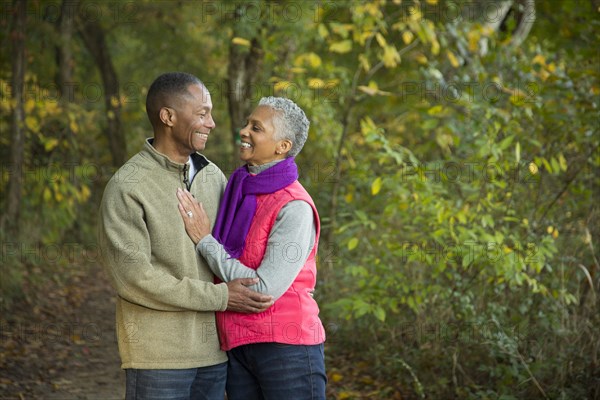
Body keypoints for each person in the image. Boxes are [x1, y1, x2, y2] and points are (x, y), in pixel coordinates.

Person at [97, 72, 274, 400]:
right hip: (158, 357)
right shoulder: (128, 186)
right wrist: (220, 297)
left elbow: (236, 250)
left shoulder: (213, 177)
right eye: (202, 113)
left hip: (214, 354)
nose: (212, 123)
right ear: (168, 117)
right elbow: (134, 279)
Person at [176, 96, 327, 399]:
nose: (244, 131)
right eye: (246, 123)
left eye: (256, 128)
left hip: (286, 348)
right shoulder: (238, 189)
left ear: (282, 146)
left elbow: (263, 289)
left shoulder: (294, 205)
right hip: (237, 343)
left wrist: (205, 241)